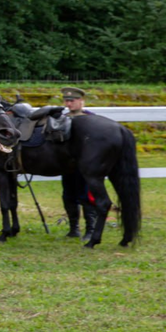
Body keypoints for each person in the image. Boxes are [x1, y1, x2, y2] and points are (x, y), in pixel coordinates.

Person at [60, 86, 98, 240]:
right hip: (67, 164)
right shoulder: (62, 119)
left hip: (86, 165)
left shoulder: (92, 119)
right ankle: (73, 228)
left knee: (86, 196)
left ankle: (91, 229)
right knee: (68, 195)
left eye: (72, 101)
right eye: (66, 101)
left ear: (81, 101)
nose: (68, 104)